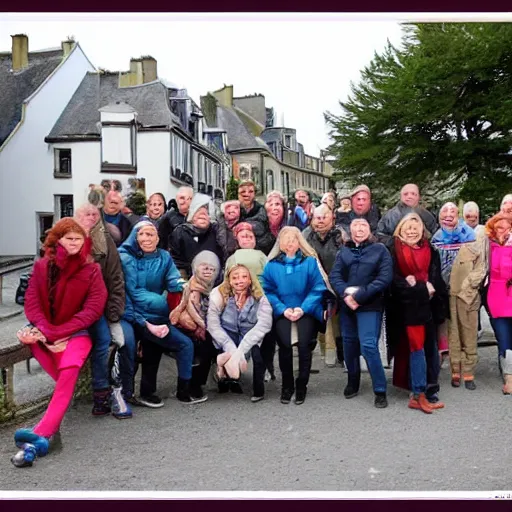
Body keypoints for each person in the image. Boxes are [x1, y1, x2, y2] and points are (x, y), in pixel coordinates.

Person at [12, 218, 107, 467]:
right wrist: (46, 333)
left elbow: (93, 308)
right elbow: (31, 303)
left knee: (70, 370)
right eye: (69, 237)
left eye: (79, 238)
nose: (75, 242)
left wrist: (61, 334)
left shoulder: (91, 269)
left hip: (76, 334)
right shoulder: (42, 266)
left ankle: (41, 434)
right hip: (45, 335)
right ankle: (48, 433)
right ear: (58, 239)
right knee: (64, 383)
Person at [118, 221, 206, 406]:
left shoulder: (164, 257)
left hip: (159, 317)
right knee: (178, 344)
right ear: (135, 237)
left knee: (166, 347)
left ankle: (162, 391)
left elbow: (172, 278)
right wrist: (156, 307)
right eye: (142, 234)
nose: (146, 238)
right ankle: (170, 392)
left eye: (151, 234)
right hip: (137, 317)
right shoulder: (126, 258)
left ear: (158, 238)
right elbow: (132, 292)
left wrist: (185, 286)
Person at [75, 204, 135, 419]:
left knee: (112, 342)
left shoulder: (104, 239)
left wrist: (114, 311)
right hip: (72, 309)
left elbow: (115, 277)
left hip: (99, 307)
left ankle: (113, 393)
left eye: (94, 214)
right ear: (76, 216)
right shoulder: (68, 237)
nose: (91, 217)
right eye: (86, 214)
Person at [261, 227, 330, 405]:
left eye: (293, 239)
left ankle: (301, 385)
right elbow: (267, 290)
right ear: (280, 244)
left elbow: (318, 288)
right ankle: (287, 385)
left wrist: (302, 308)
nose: (290, 243)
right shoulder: (272, 265)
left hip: (305, 310)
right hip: (283, 311)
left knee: (305, 346)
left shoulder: (310, 262)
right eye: (286, 239)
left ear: (299, 241)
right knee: (284, 346)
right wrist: (282, 309)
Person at [387, 213, 448, 412]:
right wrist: (420, 287)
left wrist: (426, 285)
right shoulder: (393, 250)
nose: (412, 231)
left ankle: (428, 389)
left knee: (429, 349)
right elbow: (395, 282)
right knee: (415, 348)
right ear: (401, 230)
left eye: (416, 228)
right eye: (408, 228)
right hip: (405, 308)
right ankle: (418, 393)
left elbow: (435, 277)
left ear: (422, 230)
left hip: (428, 306)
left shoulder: (430, 249)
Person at [329, 218, 393, 409]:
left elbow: (384, 278)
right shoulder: (344, 251)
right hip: (347, 304)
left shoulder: (380, 250)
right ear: (350, 231)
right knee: (349, 344)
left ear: (369, 229)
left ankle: (380, 389)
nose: (359, 229)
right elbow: (335, 276)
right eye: (355, 226)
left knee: (368, 345)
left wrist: (360, 295)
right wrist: (344, 293)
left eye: (363, 225)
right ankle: (353, 380)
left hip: (369, 303)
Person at [208, 263, 273, 401]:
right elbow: (213, 325)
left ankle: (258, 389)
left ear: (250, 280)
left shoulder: (261, 297)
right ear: (229, 280)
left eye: (244, 277)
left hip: (251, 336)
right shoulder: (217, 294)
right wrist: (230, 347)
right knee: (216, 343)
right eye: (235, 277)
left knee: (259, 348)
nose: (239, 280)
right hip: (226, 335)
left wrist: (241, 350)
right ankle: (224, 376)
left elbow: (264, 324)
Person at [431, 202, 476, 373]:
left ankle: (467, 363)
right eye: (444, 212)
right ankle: (448, 357)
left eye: (452, 212)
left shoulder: (469, 235)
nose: (448, 215)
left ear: (459, 216)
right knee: (444, 323)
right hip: (442, 288)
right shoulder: (435, 237)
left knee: (465, 325)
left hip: (465, 288)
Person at [170, 251, 221, 400]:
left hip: (203, 326)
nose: (208, 271)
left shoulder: (213, 288)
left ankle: (198, 384)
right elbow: (187, 311)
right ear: (195, 268)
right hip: (186, 327)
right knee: (198, 345)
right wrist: (201, 326)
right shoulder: (188, 287)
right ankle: (190, 385)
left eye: (212, 269)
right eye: (203, 267)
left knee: (209, 344)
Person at [303, 204, 344, 367]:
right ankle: (321, 352)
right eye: (317, 218)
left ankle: (342, 355)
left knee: (338, 321)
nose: (320, 221)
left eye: (324, 217)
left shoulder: (340, 236)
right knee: (318, 318)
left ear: (332, 217)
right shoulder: (306, 237)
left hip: (338, 282)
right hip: (315, 284)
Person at [483, 213, 512, 394]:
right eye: (500, 229)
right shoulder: (488, 247)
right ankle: (509, 376)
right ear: (493, 232)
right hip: (497, 297)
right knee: (504, 338)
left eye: (509, 228)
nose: (505, 232)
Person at [170, 195, 224, 280]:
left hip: (214, 280)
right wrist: (185, 285)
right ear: (191, 216)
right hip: (189, 281)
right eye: (198, 211)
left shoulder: (216, 231)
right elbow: (176, 261)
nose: (203, 214)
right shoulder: (180, 232)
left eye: (206, 212)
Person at [238, 180, 274, 255]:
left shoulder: (263, 211)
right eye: (243, 192)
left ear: (254, 194)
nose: (246, 194)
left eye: (250, 191)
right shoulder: (233, 211)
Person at [158, 186, 193, 250]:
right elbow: (161, 241)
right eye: (182, 198)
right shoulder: (167, 218)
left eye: (189, 198)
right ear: (176, 199)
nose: (184, 201)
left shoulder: (197, 217)